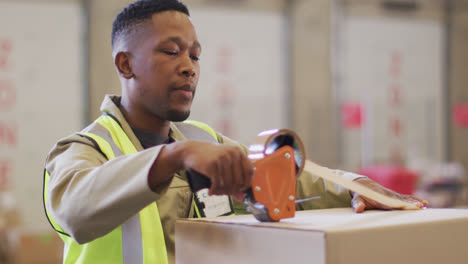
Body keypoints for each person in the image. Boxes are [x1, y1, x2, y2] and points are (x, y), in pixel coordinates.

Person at [42, 0, 427, 263]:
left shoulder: (203, 140)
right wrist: (176, 156)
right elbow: (76, 210)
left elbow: (288, 179)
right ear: (125, 64)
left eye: (195, 54)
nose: (189, 66)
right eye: (171, 51)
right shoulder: (82, 151)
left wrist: (357, 187)